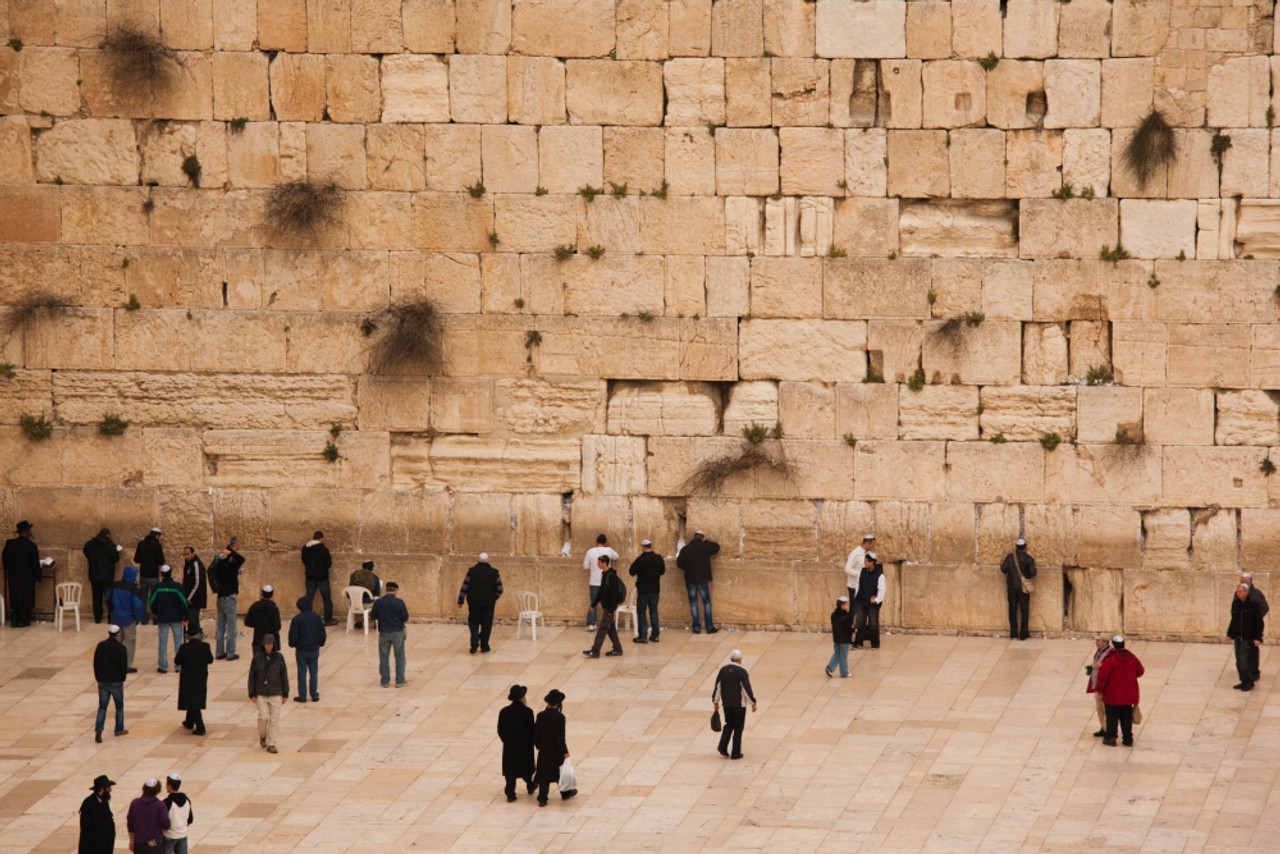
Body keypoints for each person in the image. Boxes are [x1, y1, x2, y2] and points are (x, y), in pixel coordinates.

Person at [1095, 635, 1144, 747]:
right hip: (1128, 695)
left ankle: (1111, 738)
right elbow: (1140, 671)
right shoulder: (1132, 658)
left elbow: (1103, 677)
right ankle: (1128, 739)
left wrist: (1099, 689)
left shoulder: (1110, 660)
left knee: (1112, 718)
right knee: (1126, 718)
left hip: (1112, 695)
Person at [247, 633, 289, 753]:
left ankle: (271, 743)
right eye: (266, 644)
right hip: (262, 692)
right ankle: (263, 735)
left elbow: (284, 675)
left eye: (270, 644)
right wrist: (251, 693)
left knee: (274, 719)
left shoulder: (279, 658)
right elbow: (252, 676)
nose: (268, 646)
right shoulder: (257, 657)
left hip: (276, 692)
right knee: (263, 717)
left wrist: (285, 693)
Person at [712, 649, 757, 759]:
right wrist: (753, 702)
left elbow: (718, 687)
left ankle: (722, 746)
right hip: (739, 705)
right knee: (738, 728)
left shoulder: (723, 670)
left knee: (729, 724)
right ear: (740, 659)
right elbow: (746, 689)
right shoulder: (741, 672)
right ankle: (736, 753)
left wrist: (716, 701)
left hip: (727, 704)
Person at [3, 520, 47, 627]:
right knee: (26, 598)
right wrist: (38, 577)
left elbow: (5, 559)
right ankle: (24, 620)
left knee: (15, 596)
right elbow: (35, 563)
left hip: (13, 576)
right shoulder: (31, 546)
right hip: (27, 577)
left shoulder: (10, 544)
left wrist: (10, 568)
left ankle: (15, 620)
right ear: (27, 532)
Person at [457, 552, 503, 654]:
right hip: (488, 604)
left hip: (474, 602)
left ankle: (474, 640)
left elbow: (465, 586)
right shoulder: (494, 573)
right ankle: (485, 646)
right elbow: (500, 589)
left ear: (478, 560)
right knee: (487, 624)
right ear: (488, 561)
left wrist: (461, 600)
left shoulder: (471, 572)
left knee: (473, 622)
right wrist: (493, 598)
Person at [497, 684, 536, 802]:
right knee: (526, 768)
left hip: (510, 746)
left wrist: (506, 740)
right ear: (522, 697)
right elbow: (531, 730)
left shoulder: (504, 711)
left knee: (510, 770)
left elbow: (500, 730)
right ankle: (530, 785)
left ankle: (510, 793)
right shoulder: (528, 712)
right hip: (525, 746)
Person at [209, 538, 245, 661]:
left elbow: (217, 567)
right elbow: (241, 559)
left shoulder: (219, 567)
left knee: (220, 627)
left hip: (220, 598)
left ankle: (219, 652)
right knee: (231, 627)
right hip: (229, 598)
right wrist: (231, 551)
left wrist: (225, 554)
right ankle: (230, 653)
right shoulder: (230, 565)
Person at [677, 530, 720, 634]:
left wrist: (688, 568)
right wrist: (706, 541)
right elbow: (716, 547)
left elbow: (679, 563)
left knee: (693, 604)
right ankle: (709, 627)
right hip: (702, 579)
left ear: (694, 537)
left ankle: (696, 627)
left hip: (690, 579)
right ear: (702, 537)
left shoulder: (686, 549)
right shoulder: (705, 547)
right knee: (707, 603)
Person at [533, 689, 570, 806]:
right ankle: (564, 792)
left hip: (544, 750)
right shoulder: (560, 717)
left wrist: (539, 746)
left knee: (544, 774)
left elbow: (536, 734)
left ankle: (542, 797)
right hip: (556, 751)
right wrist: (565, 752)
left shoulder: (541, 716)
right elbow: (560, 738)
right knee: (559, 772)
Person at [583, 555, 625, 658]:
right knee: (611, 630)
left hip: (609, 608)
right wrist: (594, 604)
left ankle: (595, 651)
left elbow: (614, 594)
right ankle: (618, 649)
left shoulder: (612, 576)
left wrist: (611, 609)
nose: (597, 564)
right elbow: (601, 592)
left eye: (599, 563)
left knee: (602, 629)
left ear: (604, 563)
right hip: (607, 606)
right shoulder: (605, 574)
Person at [93, 625, 129, 743]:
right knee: (119, 706)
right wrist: (122, 678)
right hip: (116, 681)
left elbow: (95, 663)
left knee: (102, 706)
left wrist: (98, 677)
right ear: (118, 634)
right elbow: (123, 666)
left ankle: (99, 729)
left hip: (103, 680)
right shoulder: (121, 648)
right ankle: (119, 729)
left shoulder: (101, 646)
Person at [107, 567, 147, 672]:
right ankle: (126, 665)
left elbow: (107, 598)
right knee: (130, 642)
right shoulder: (134, 590)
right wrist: (138, 618)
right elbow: (137, 605)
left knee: (117, 641)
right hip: (129, 619)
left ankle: (116, 663)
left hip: (116, 617)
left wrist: (112, 611)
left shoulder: (115, 585)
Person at [149, 566, 188, 674]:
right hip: (176, 618)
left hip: (163, 618)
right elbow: (183, 602)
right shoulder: (177, 587)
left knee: (163, 641)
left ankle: (163, 666)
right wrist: (184, 615)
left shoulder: (157, 587)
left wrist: (157, 612)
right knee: (178, 642)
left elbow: (152, 602)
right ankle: (179, 665)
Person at [370, 582, 409, 688]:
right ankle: (400, 681)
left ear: (386, 590)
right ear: (396, 590)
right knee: (400, 657)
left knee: (383, 657)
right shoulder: (399, 602)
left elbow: (373, 616)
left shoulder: (378, 602)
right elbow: (405, 617)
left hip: (384, 633)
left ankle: (385, 681)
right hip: (397, 632)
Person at [288, 595, 326, 702]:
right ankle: (314, 694)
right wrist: (321, 643)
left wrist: (292, 644)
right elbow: (322, 633)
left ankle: (303, 696)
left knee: (301, 672)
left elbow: (293, 635)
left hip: (301, 650)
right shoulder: (317, 617)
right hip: (314, 649)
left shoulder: (297, 619)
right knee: (314, 672)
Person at [1228, 582, 1265, 691]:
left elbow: (1259, 622)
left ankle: (1249, 681)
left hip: (1248, 637)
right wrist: (1230, 633)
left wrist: (1258, 637)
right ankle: (1243, 681)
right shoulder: (1236, 604)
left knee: (1244, 660)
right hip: (1238, 636)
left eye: (1240, 592)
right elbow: (1233, 620)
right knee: (1238, 660)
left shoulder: (1253, 605)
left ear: (1246, 592)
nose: (1238, 594)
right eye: (1237, 592)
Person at [175, 627, 212, 735]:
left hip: (187, 678)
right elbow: (210, 660)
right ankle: (189, 722)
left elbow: (177, 661)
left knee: (192, 701)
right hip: (201, 678)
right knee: (194, 699)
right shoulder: (205, 646)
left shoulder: (184, 648)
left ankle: (200, 727)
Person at [629, 538, 665, 643]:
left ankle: (643, 636)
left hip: (643, 590)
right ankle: (655, 635)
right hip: (655, 590)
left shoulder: (640, 559)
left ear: (643, 547)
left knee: (641, 613)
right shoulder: (658, 558)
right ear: (651, 546)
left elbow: (632, 571)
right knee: (654, 612)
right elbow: (662, 571)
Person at [83, 528, 122, 624]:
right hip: (107, 576)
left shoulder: (90, 544)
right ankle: (110, 617)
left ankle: (97, 618)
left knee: (96, 596)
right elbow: (115, 559)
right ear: (107, 535)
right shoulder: (110, 546)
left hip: (94, 575)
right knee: (108, 596)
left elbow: (86, 552)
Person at [1000, 538, 1036, 640]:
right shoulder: (1028, 559)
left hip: (1012, 587)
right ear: (1025, 547)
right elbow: (1033, 572)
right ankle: (1023, 633)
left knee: (1012, 610)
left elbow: (1003, 569)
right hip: (1023, 588)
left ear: (1016, 547)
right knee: (1024, 610)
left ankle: (1013, 633)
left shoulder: (1010, 557)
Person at [582, 533, 619, 631]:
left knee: (593, 602)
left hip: (594, 581)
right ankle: (607, 623)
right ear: (605, 542)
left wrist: (594, 568)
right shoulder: (608, 550)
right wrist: (609, 547)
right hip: (606, 582)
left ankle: (591, 623)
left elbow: (585, 565)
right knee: (607, 603)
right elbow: (616, 557)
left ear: (596, 542)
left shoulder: (590, 551)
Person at [302, 531, 338, 626]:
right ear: (321, 539)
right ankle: (328, 619)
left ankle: (306, 619)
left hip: (310, 577)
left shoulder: (305, 549)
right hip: (322, 577)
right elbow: (328, 563)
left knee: (309, 598)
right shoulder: (323, 549)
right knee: (327, 599)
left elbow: (304, 561)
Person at [126, 777, 169, 854]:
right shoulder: (160, 805)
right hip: (154, 844)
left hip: (139, 844)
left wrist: (131, 841)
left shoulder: (135, 803)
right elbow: (166, 825)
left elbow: (130, 824)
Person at [851, 551, 886, 649]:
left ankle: (875, 643)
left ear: (872, 562)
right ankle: (858, 642)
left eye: (867, 561)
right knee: (860, 622)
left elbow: (882, 590)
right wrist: (857, 596)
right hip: (861, 602)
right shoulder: (862, 572)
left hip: (872, 603)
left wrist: (876, 600)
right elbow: (858, 584)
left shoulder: (879, 575)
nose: (865, 563)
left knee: (873, 624)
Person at [80, 774, 117, 854]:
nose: (110, 790)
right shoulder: (88, 803)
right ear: (101, 789)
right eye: (108, 788)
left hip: (105, 847)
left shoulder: (104, 802)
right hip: (93, 849)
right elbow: (86, 827)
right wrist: (97, 842)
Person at [1084, 637, 1113, 737]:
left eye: (1098, 641)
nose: (1096, 643)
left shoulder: (1110, 653)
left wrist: (1102, 665)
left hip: (1104, 687)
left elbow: (1110, 667)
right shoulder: (1099, 652)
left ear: (1105, 642)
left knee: (1105, 709)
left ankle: (1108, 729)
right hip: (1097, 685)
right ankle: (1104, 727)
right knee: (1100, 709)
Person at [244, 585, 281, 653]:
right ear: (272, 595)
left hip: (258, 640)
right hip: (270, 642)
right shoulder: (274, 609)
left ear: (262, 594)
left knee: (258, 661)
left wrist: (257, 625)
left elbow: (247, 622)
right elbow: (277, 627)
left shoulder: (254, 606)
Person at [133, 527, 166, 604]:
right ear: (157, 536)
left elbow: (136, 559)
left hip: (143, 575)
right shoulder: (157, 545)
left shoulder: (141, 544)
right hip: (153, 575)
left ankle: (142, 615)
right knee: (156, 596)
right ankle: (155, 613)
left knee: (143, 597)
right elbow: (161, 561)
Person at [161, 774, 193, 854]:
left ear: (170, 786)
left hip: (169, 836)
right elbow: (190, 819)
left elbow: (162, 820)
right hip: (182, 834)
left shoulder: (167, 802)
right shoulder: (187, 800)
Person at [826, 596, 854, 678]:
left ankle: (830, 668)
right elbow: (847, 628)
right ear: (842, 606)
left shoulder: (833, 615)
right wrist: (854, 630)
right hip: (844, 639)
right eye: (847, 605)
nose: (848, 606)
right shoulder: (847, 616)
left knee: (837, 653)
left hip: (836, 638)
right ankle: (844, 672)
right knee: (843, 655)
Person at [843, 534, 875, 602]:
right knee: (855, 610)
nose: (873, 547)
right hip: (854, 586)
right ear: (867, 543)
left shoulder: (868, 553)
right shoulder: (855, 553)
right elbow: (847, 569)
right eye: (872, 545)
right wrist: (861, 574)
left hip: (864, 586)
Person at [180, 546, 206, 629]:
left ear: (192, 553)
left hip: (195, 598)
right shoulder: (188, 564)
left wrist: (190, 598)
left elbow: (198, 583)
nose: (186, 556)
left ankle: (197, 634)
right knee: (191, 618)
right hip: (188, 597)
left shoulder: (196, 564)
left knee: (193, 617)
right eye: (185, 554)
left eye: (188, 554)